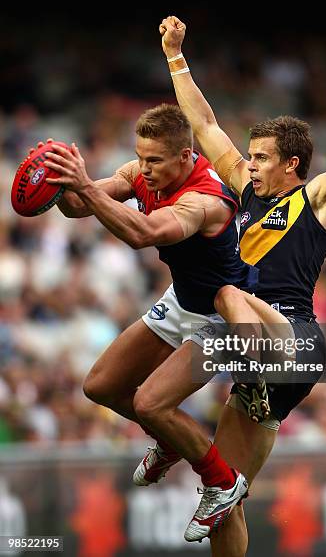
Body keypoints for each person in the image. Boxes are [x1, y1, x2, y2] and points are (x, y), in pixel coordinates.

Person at [157, 15, 326, 555]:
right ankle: (204, 420)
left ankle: (176, 420)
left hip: (294, 340)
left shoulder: (319, 198)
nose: (249, 164)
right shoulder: (246, 190)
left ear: (293, 164)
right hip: (250, 349)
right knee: (224, 498)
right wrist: (174, 57)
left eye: (261, 158)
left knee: (223, 295)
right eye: (251, 156)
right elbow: (206, 125)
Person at [40, 103, 259, 543]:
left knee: (150, 404)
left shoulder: (205, 201)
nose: (144, 168)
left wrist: (84, 185)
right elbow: (80, 208)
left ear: (184, 157)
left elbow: (142, 234)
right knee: (100, 386)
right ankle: (171, 442)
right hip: (183, 300)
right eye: (140, 157)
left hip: (223, 314)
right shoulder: (144, 171)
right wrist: (57, 183)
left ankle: (221, 481)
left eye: (154, 160)